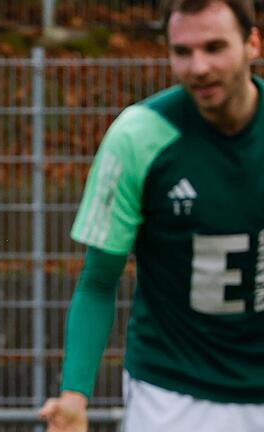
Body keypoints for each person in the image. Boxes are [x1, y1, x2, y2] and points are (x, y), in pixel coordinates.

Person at [40, 1, 264, 431]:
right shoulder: (138, 137)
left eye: (215, 47)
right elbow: (99, 279)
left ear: (252, 42)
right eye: (183, 51)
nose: (198, 67)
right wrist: (74, 395)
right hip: (172, 391)